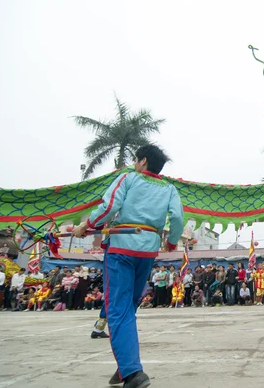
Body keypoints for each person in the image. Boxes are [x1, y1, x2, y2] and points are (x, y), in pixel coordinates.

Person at [72, 144, 183, 388]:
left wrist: (86, 225)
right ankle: (124, 364)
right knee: (128, 308)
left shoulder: (128, 178)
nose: (135, 163)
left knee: (119, 310)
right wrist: (172, 243)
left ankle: (132, 372)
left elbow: (109, 207)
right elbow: (177, 218)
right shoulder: (170, 188)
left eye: (136, 160)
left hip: (122, 249)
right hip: (147, 252)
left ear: (143, 162)